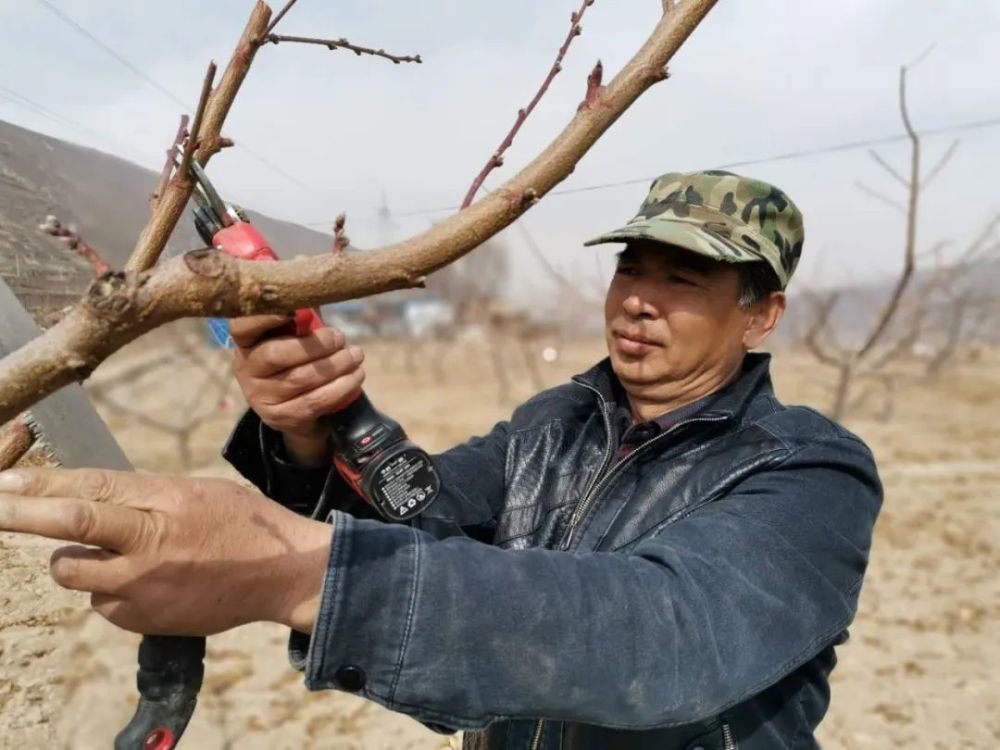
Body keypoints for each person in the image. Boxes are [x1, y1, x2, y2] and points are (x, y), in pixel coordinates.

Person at [0, 171, 882, 750]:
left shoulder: (808, 471)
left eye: (683, 280)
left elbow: (662, 639)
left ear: (761, 314)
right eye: (631, 268)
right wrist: (312, 429)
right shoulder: (556, 422)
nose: (639, 301)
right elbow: (422, 519)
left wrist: (287, 568)